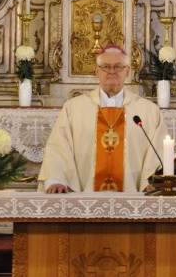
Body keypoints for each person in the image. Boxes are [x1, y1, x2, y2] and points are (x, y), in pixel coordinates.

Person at [38, 45, 167, 193]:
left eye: (118, 66)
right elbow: (59, 147)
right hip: (84, 199)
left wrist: (153, 181)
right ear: (97, 71)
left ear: (127, 71)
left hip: (133, 198)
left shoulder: (148, 111)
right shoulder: (74, 108)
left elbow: (158, 149)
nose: (112, 71)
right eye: (106, 66)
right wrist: (57, 180)